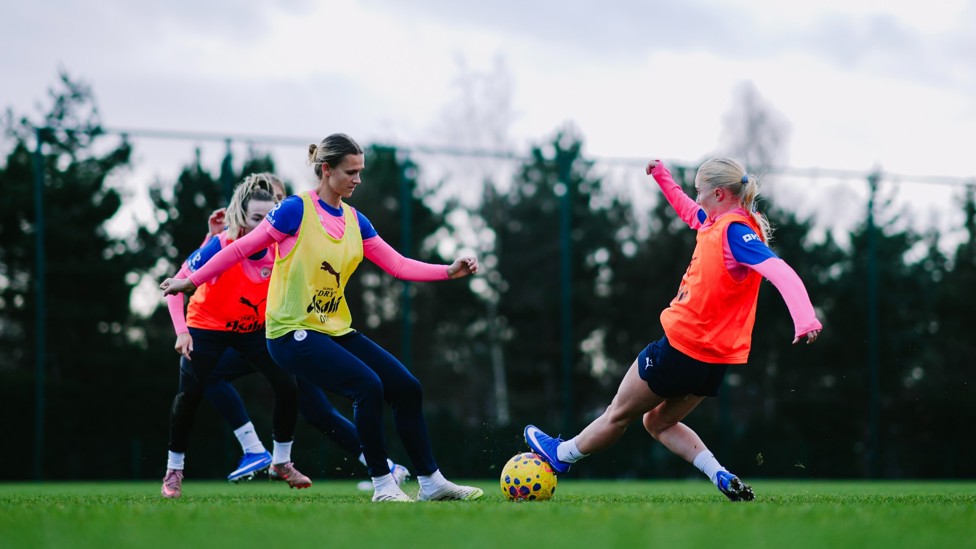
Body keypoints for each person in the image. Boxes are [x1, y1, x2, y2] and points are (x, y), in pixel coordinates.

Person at [162, 133, 484, 503]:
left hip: (332, 329)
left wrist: (448, 271)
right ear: (326, 170)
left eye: (361, 172)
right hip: (289, 333)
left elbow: (397, 264)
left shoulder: (355, 220)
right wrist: (190, 280)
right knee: (367, 386)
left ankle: (432, 482)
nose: (358, 179)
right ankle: (383, 485)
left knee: (406, 386)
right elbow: (240, 249)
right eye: (351, 171)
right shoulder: (295, 209)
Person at [524, 157, 823, 502]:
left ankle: (561, 456)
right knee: (657, 422)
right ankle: (720, 474)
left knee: (618, 414)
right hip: (712, 365)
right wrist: (663, 178)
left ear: (721, 194)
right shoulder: (716, 223)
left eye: (701, 193)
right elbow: (687, 211)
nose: (697, 199)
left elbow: (779, 270)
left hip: (681, 348)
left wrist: (805, 319)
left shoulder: (735, 232)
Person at [199, 179, 411, 488]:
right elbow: (217, 257)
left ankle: (381, 467)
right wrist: (212, 235)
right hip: (264, 337)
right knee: (215, 373)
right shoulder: (262, 237)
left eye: (280, 201)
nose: (276, 211)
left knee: (319, 410)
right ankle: (263, 453)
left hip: (292, 335)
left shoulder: (285, 243)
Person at [160, 174, 311, 498]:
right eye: (256, 218)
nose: (262, 226)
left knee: (287, 383)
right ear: (241, 217)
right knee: (190, 395)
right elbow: (175, 287)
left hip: (253, 330)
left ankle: (281, 462)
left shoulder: (279, 249)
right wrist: (182, 333)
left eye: (268, 218)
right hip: (207, 327)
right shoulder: (221, 245)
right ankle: (174, 470)